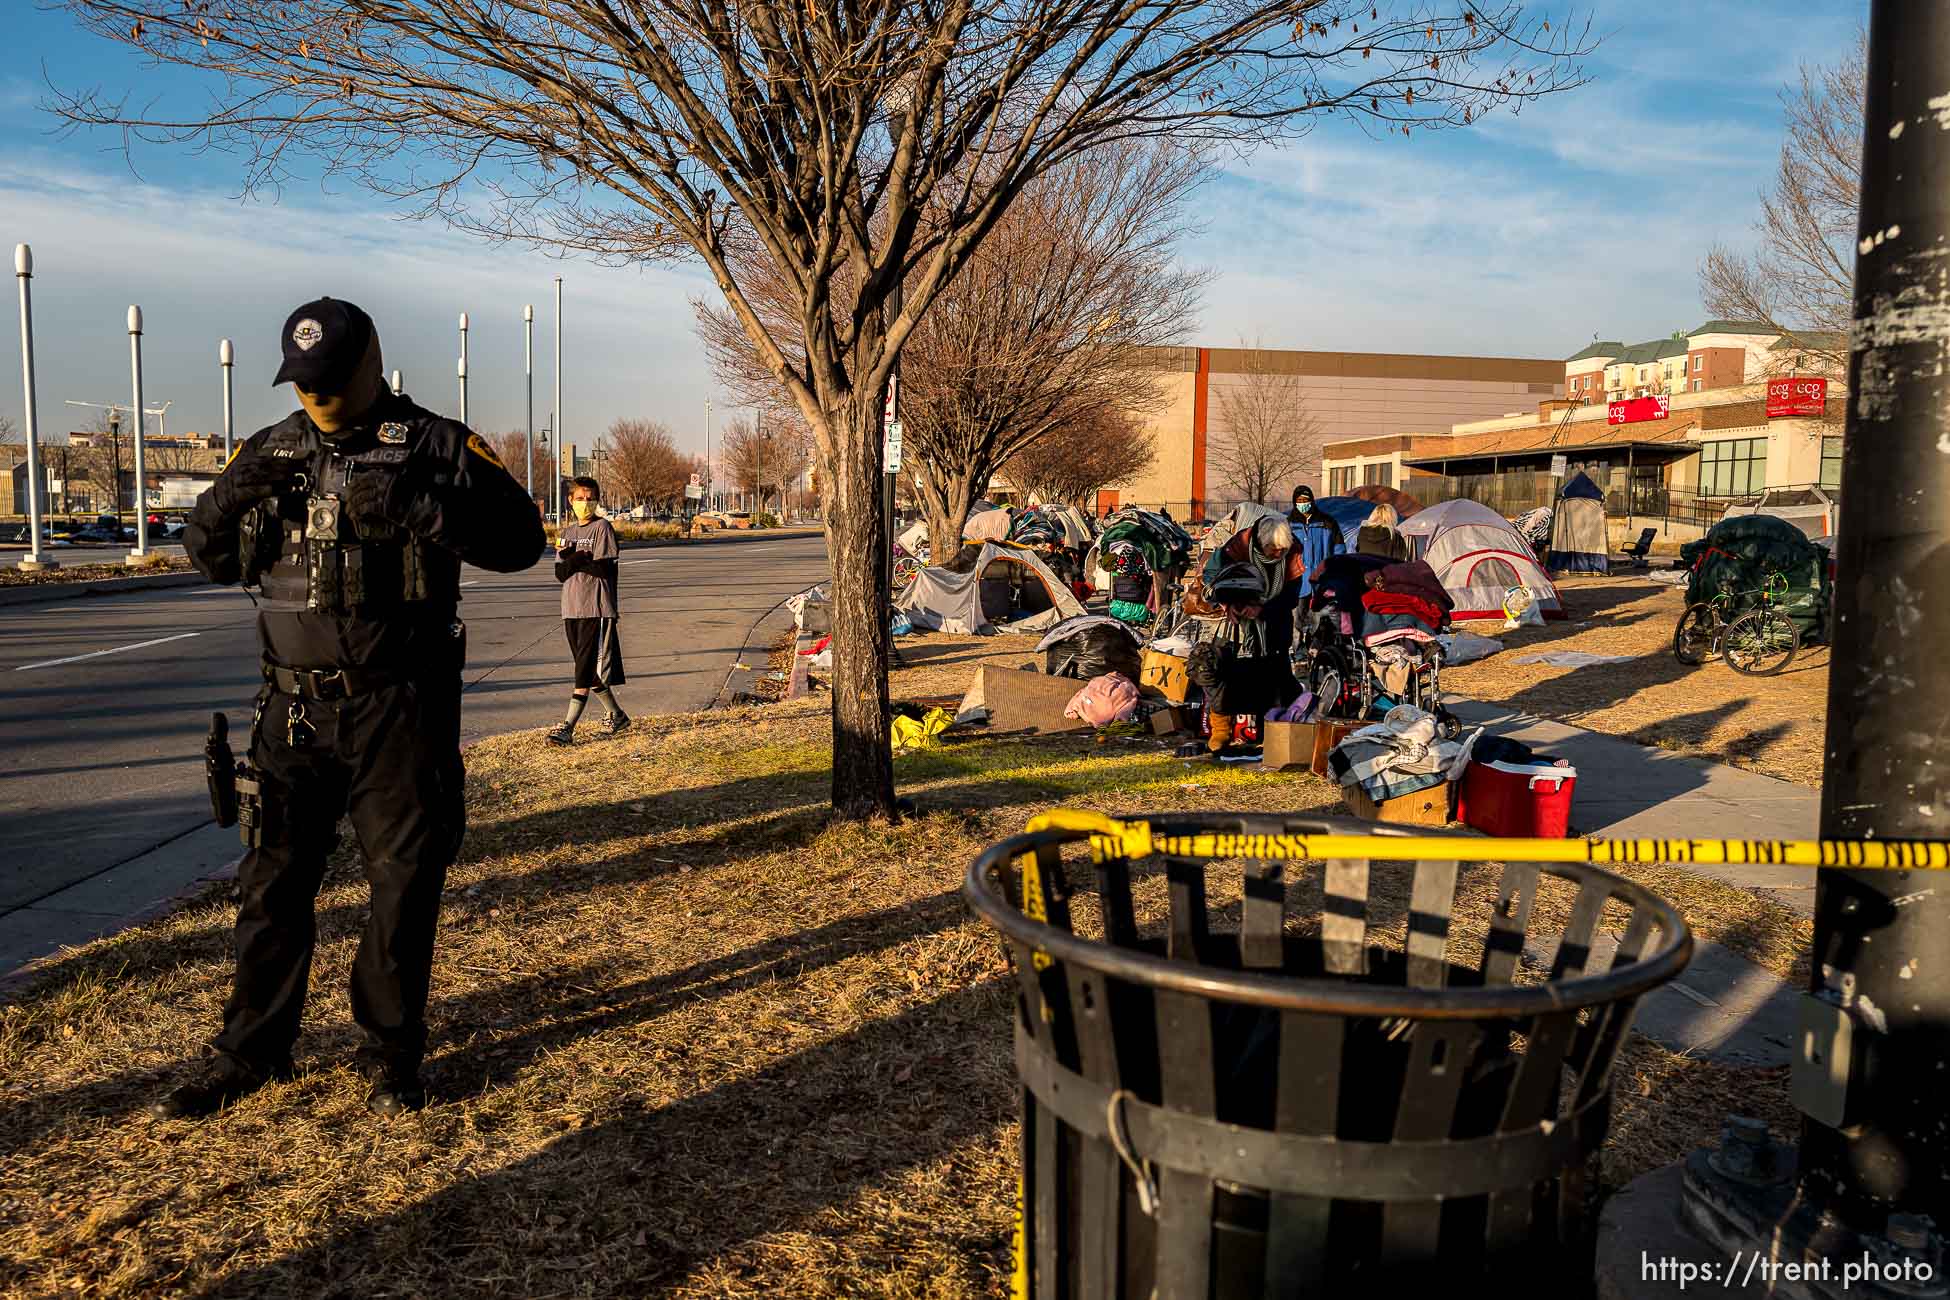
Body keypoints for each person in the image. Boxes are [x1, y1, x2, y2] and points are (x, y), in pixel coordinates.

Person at [155, 297, 543, 1121]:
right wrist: (227, 497)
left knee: (401, 887)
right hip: (290, 713)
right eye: (303, 384)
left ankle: (389, 1053)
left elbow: (521, 541)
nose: (316, 398)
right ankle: (250, 1051)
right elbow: (209, 558)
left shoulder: (436, 442)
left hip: (396, 710)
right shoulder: (273, 447)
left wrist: (422, 510)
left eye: (330, 381)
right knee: (271, 886)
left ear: (369, 367)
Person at [1181, 512, 1305, 758]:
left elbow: (1291, 593)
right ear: (1260, 542)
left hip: (1274, 620)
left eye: (1282, 550)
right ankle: (1221, 731)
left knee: (1273, 675)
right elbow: (1212, 577)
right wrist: (1227, 603)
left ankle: (1267, 731)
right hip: (1232, 622)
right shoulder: (1238, 546)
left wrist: (1263, 608)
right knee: (1222, 671)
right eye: (1272, 549)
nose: (1277, 555)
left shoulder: (1293, 550)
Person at [547, 477, 631, 744]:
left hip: (595, 607)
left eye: (590, 498)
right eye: (580, 498)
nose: (586, 503)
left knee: (583, 669)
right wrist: (580, 557)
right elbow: (560, 573)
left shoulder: (602, 527)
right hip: (570, 608)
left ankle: (567, 727)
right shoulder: (567, 533)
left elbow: (604, 569)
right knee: (585, 667)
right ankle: (616, 714)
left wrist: (577, 557)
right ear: (570, 500)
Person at [1286, 485, 1345, 603]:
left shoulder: (1328, 522)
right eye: (1299, 501)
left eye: (1306, 500)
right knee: (1298, 620)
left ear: (1312, 500)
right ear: (1294, 502)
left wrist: (1334, 572)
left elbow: (1339, 550)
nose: (1303, 504)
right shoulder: (1288, 525)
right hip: (1297, 585)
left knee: (1322, 620)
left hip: (1323, 583)